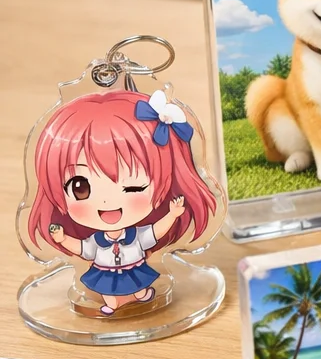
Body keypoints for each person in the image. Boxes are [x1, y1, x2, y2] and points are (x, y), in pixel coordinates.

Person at [27, 89, 218, 315]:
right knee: (107, 289)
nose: (107, 202)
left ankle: (140, 294)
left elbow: (156, 231)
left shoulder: (135, 235)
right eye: (80, 188)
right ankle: (111, 304)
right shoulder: (96, 241)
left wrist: (172, 214)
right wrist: (62, 238)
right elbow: (82, 248)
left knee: (138, 283)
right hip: (105, 272)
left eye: (134, 186)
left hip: (134, 268)